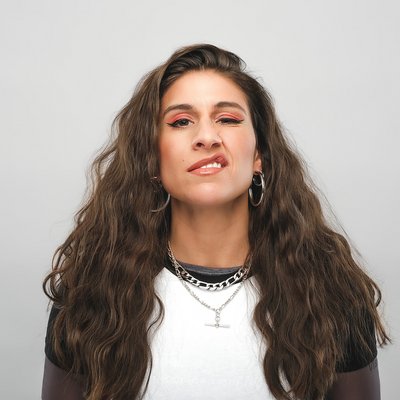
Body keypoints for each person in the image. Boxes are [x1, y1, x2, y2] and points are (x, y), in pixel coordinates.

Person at [42, 44, 389, 400]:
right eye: (181, 122)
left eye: (228, 119)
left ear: (259, 154)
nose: (207, 137)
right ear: (152, 158)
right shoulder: (91, 293)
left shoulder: (329, 293)